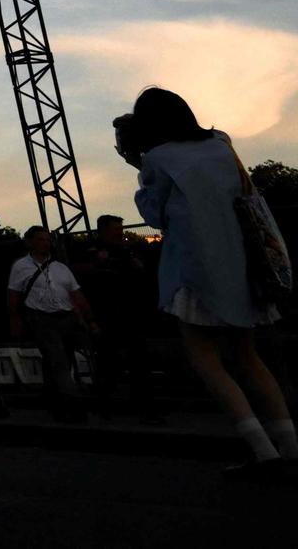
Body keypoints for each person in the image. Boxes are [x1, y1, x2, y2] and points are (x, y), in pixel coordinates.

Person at [120, 87, 295, 472]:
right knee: (249, 357)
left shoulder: (158, 159)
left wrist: (138, 168)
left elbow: (155, 214)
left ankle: (262, 451)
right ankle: (290, 447)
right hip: (243, 265)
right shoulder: (221, 144)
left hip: (195, 267)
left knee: (205, 358)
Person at [80, 215, 164, 421]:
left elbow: (140, 271)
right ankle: (105, 406)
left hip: (130, 312)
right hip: (106, 314)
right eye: (115, 228)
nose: (119, 232)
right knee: (109, 362)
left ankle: (143, 407)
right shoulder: (91, 249)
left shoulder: (127, 250)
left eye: (120, 228)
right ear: (103, 230)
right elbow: (80, 274)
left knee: (138, 361)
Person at [7, 225, 93, 418]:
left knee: (59, 360)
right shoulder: (21, 267)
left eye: (47, 240)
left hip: (65, 316)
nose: (46, 244)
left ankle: (55, 401)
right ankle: (73, 404)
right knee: (59, 360)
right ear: (30, 242)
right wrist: (15, 319)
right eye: (41, 240)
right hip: (41, 318)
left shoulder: (59, 267)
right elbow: (13, 295)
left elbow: (75, 293)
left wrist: (86, 316)